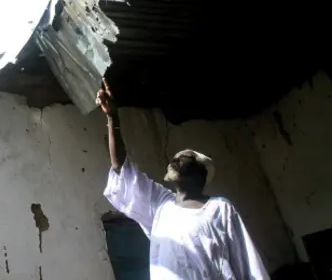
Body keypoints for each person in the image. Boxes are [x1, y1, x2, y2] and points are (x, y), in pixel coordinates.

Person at [97, 78, 269, 280]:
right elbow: (122, 169)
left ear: (200, 175)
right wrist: (113, 118)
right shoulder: (161, 206)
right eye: (176, 158)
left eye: (186, 159)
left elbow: (247, 264)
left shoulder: (218, 209)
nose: (177, 159)